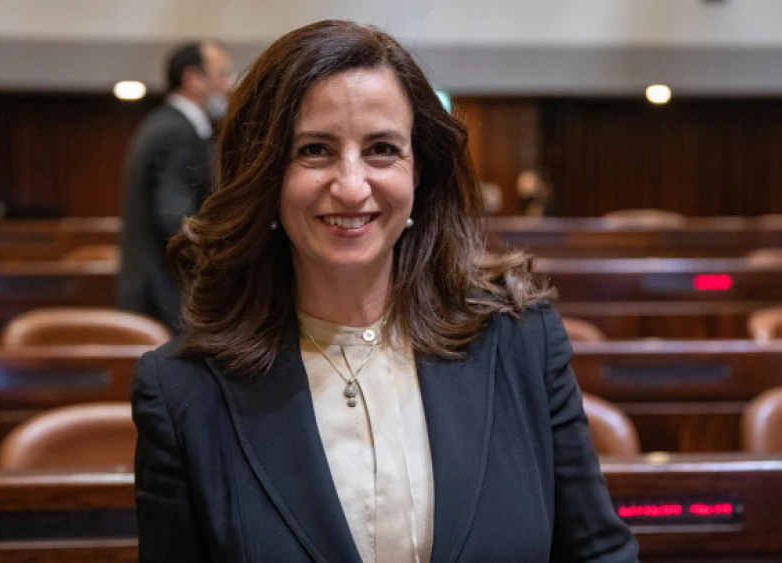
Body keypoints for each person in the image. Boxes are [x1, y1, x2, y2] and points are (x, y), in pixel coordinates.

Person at [131, 20, 639, 562]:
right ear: (264, 177)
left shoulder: (522, 343)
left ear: (420, 172)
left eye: (381, 149)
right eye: (314, 150)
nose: (351, 187)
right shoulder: (183, 393)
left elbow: (599, 555)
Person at [117, 41, 234, 331]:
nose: (229, 85)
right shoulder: (175, 132)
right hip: (163, 297)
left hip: (159, 292)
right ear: (193, 79)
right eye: (221, 74)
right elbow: (176, 221)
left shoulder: (169, 124)